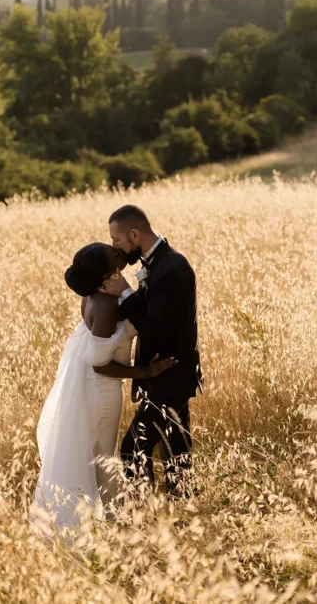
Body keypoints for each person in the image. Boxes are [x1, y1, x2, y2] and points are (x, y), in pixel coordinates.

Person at [31, 242, 177, 538]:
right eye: (112, 253)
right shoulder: (107, 304)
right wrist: (145, 371)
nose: (118, 251)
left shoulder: (97, 294)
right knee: (103, 457)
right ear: (106, 271)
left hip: (93, 385)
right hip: (100, 389)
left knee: (99, 455)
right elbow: (100, 364)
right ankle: (107, 525)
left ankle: (106, 524)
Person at [100, 205, 203, 497]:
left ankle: (143, 514)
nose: (114, 246)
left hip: (169, 376)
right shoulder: (158, 263)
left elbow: (153, 327)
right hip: (168, 375)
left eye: (116, 239)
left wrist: (125, 293)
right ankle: (180, 509)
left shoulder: (171, 268)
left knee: (132, 449)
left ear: (134, 234)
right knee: (175, 450)